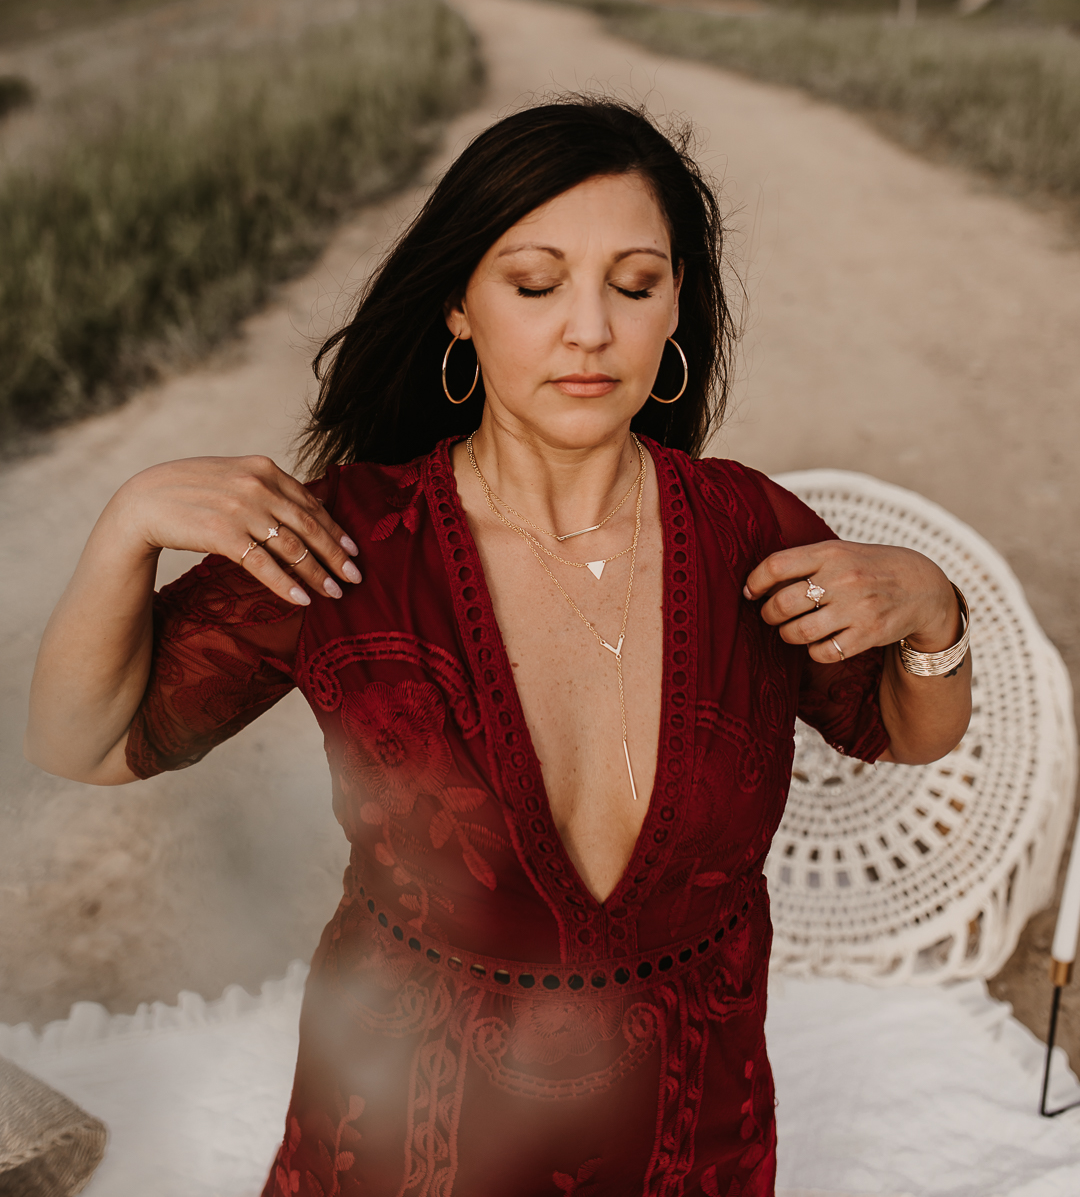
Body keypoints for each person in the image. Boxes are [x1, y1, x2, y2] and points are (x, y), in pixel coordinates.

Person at [26, 99, 972, 1196]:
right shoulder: (349, 544)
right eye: (535, 284)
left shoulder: (749, 532)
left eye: (634, 285)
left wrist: (935, 611)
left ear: (676, 305)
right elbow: (83, 743)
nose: (591, 329)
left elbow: (904, 732)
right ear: (459, 306)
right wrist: (128, 524)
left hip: (691, 1148)